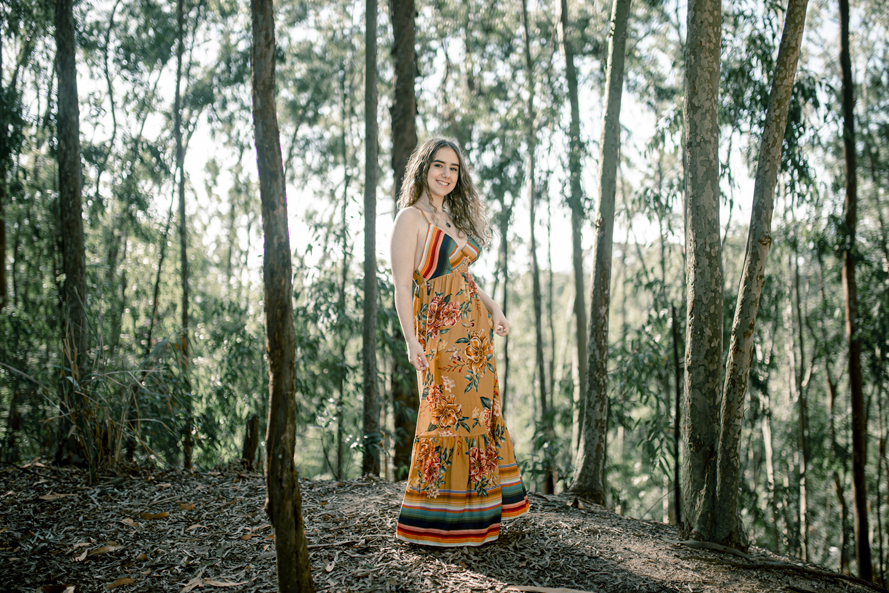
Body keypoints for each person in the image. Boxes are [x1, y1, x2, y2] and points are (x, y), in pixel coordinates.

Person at [391, 137, 529, 547]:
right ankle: (438, 522)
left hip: (475, 337)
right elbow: (401, 286)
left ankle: (479, 518)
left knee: (478, 417)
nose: (446, 174)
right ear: (423, 168)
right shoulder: (410, 218)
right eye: (438, 165)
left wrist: (495, 308)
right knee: (448, 417)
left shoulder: (451, 216)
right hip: (441, 336)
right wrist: (411, 341)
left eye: (453, 168)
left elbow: (464, 278)